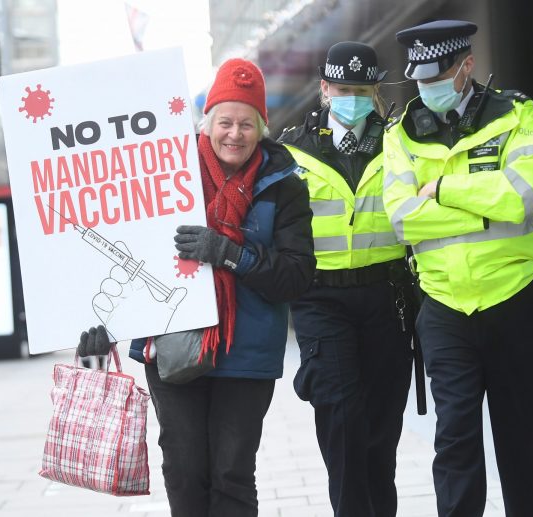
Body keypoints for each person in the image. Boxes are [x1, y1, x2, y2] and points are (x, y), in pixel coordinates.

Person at [78, 57, 315, 517]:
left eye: (247, 124)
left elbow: (296, 276)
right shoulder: (163, 172)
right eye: (225, 121)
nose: (235, 133)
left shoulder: (285, 186)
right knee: (184, 469)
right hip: (172, 346)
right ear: (206, 122)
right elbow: (118, 248)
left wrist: (230, 253)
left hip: (247, 354)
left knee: (231, 473)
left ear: (262, 128)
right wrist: (96, 326)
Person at [382, 20, 533, 517]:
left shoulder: (514, 115)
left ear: (466, 67)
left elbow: (526, 195)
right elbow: (401, 217)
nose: (427, 89)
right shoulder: (402, 134)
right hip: (443, 303)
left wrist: (443, 189)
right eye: (420, 81)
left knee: (520, 434)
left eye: (437, 79)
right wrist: (485, 206)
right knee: (454, 436)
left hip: (514, 295)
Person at [277, 41, 414, 517]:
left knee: (381, 427)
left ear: (374, 91)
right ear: (325, 89)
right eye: (342, 88)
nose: (351, 97)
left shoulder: (401, 140)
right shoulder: (293, 149)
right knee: (341, 417)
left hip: (387, 296)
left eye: (361, 89)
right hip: (321, 300)